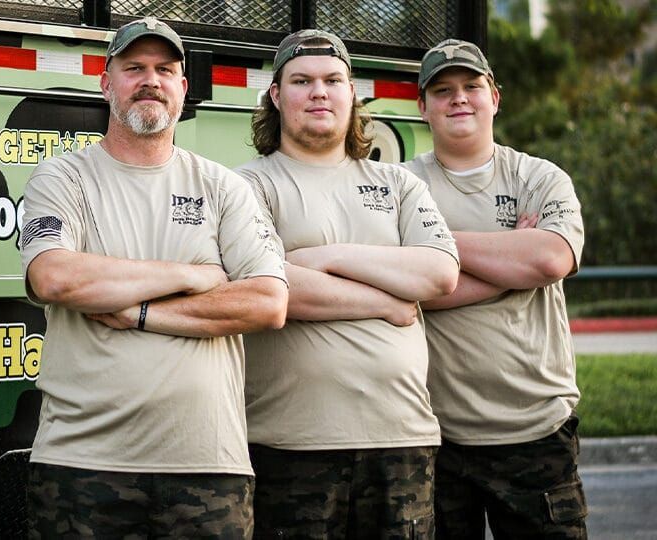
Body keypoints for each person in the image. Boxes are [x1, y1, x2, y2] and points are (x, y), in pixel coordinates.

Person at [19, 16, 289, 537]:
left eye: (165, 69)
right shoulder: (63, 177)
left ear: (182, 88)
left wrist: (143, 313)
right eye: (134, 67)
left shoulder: (224, 187)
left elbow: (266, 303)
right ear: (106, 83)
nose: (151, 80)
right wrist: (193, 274)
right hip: (81, 464)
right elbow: (54, 278)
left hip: (208, 467)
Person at [235, 29, 460, 537]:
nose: (319, 92)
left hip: (402, 440)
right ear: (275, 95)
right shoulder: (247, 185)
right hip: (290, 446)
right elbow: (269, 285)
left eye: (333, 80)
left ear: (352, 92)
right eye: (302, 81)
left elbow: (440, 272)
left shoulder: (398, 183)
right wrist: (387, 300)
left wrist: (327, 256)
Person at [405, 39, 588, 538]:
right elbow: (403, 289)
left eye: (471, 87)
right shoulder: (401, 186)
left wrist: (434, 250)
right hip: (436, 435)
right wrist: (513, 258)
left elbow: (552, 257)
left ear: (495, 98)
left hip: (535, 431)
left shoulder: (539, 177)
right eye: (442, 90)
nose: (458, 98)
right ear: (422, 106)